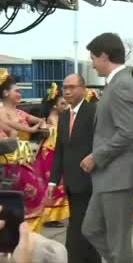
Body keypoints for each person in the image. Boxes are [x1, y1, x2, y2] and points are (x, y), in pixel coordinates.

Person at [80, 32, 133, 263]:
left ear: (104, 56)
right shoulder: (116, 84)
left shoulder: (122, 85)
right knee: (91, 229)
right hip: (108, 177)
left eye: (93, 57)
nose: (92, 63)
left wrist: (96, 157)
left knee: (118, 242)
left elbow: (126, 133)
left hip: (117, 175)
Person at [48, 74, 101, 263]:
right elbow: (60, 151)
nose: (67, 91)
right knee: (81, 227)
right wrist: (53, 181)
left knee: (81, 229)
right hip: (71, 183)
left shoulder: (94, 112)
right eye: (65, 88)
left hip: (90, 182)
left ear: (84, 88)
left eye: (72, 87)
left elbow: (101, 146)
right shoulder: (63, 117)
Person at [0, 69, 48, 233]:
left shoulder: (20, 112)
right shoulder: (2, 113)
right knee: (26, 197)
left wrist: (41, 125)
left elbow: (42, 122)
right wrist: (28, 130)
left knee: (37, 193)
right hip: (11, 164)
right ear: (5, 92)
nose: (20, 94)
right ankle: (21, 235)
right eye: (17, 91)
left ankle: (28, 236)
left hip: (27, 160)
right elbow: (9, 137)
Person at [36, 82, 70, 229]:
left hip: (53, 152)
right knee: (52, 182)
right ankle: (49, 216)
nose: (66, 106)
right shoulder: (51, 120)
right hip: (49, 153)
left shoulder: (61, 119)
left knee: (58, 183)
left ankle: (53, 216)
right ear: (55, 106)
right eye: (63, 103)